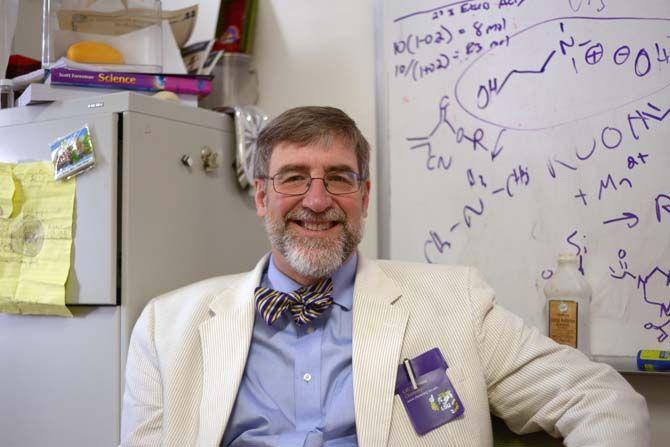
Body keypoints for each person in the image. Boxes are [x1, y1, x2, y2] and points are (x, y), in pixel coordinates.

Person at [120, 106, 650, 446]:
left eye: (339, 178)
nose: (318, 199)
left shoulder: (454, 303)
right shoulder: (167, 327)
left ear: (364, 197)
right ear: (262, 196)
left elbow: (601, 399)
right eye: (294, 178)